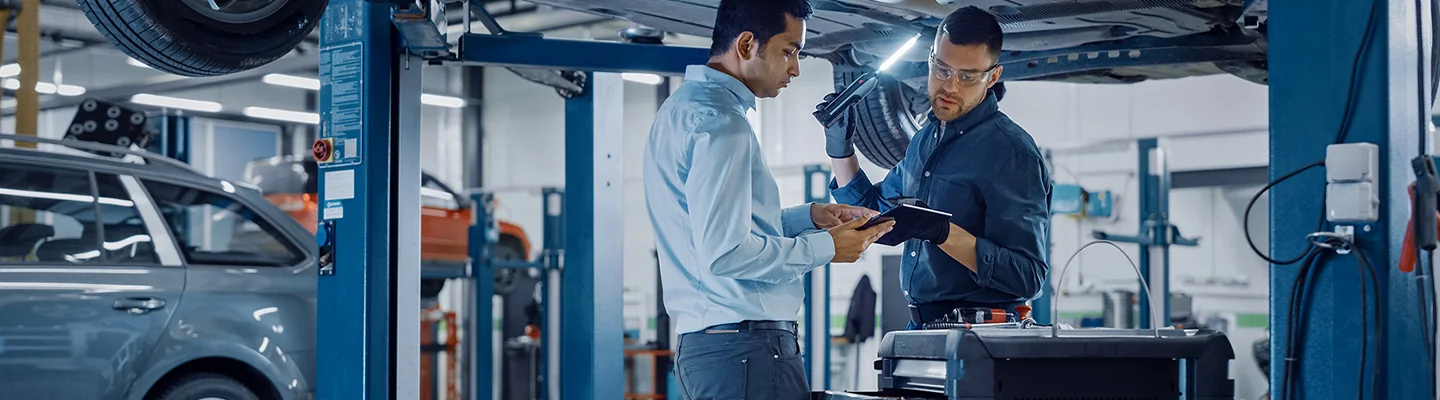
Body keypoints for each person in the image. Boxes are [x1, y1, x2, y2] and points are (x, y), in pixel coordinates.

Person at [643, 0, 896, 398]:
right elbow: (726, 253)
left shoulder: (681, 110)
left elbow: (715, 231)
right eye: (788, 51)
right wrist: (826, 248)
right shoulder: (723, 125)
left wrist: (810, 217)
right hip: (747, 351)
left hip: (716, 350)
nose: (795, 69)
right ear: (746, 45)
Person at [819, 6, 1052, 329]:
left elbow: (1028, 276)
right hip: (922, 327)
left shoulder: (1011, 154)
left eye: (967, 76)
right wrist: (841, 149)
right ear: (930, 58)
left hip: (982, 334)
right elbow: (874, 215)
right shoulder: (925, 140)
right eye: (941, 69)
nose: (950, 86)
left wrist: (944, 233)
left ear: (992, 76)